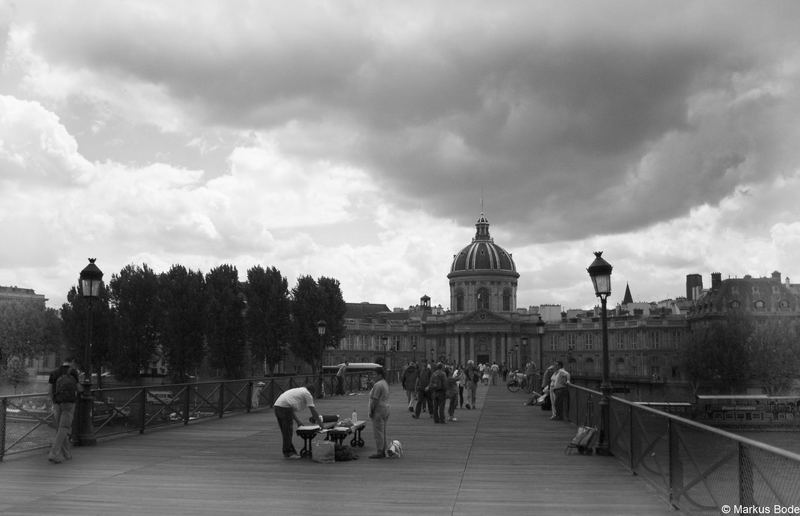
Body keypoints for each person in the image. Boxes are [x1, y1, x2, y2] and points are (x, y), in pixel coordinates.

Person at [273, 384, 323, 459]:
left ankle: (289, 451)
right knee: (288, 431)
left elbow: (290, 409)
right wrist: (320, 424)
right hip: (284, 408)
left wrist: (298, 421)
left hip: (277, 406)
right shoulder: (307, 393)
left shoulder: (299, 390)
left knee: (285, 431)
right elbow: (313, 410)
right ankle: (288, 453)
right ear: (312, 392)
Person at [47, 357, 81, 464]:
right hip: (69, 403)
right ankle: (54, 453)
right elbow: (78, 388)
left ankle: (67, 454)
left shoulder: (54, 372)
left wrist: (53, 401)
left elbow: (49, 390)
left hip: (57, 403)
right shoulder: (74, 372)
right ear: (72, 362)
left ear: (62, 362)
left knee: (60, 428)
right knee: (64, 427)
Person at [368, 366, 390, 458]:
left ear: (380, 375)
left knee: (378, 432)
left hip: (378, 410)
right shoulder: (384, 383)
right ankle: (383, 449)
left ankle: (379, 451)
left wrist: (371, 411)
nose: (373, 376)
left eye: (374, 374)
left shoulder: (378, 385)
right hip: (385, 408)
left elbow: (375, 399)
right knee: (382, 431)